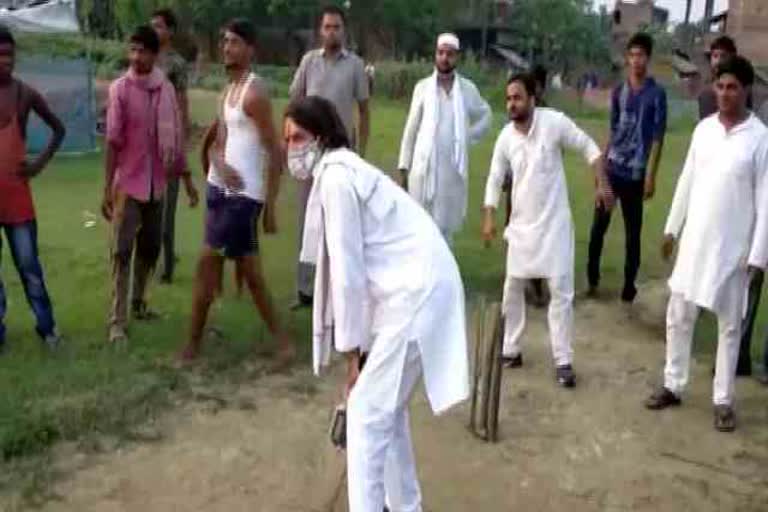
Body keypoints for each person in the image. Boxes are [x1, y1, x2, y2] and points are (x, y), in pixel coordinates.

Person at [284, 96, 468, 512]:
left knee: (366, 415)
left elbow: (348, 274)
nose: (291, 148)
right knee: (387, 409)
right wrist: (361, 353)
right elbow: (364, 271)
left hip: (417, 294)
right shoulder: (342, 170)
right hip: (416, 290)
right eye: (287, 140)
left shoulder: (334, 176)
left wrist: (352, 356)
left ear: (322, 136)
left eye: (298, 137)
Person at [645, 56, 768, 432]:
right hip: (695, 241)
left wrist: (758, 255)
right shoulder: (703, 131)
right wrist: (671, 229)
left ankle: (723, 400)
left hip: (733, 250)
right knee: (678, 315)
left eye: (733, 87)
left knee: (729, 327)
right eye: (720, 86)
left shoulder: (760, 138)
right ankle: (673, 383)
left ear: (746, 90)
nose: (726, 94)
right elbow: (686, 181)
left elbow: (766, 200)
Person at [482, 73, 610, 387]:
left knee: (560, 293)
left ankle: (563, 360)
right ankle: (511, 349)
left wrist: (602, 184)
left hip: (554, 227)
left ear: (532, 99)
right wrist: (489, 216)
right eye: (509, 98)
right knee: (512, 289)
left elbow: (589, 148)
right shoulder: (506, 137)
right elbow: (495, 177)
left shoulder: (553, 123)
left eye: (517, 97)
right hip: (522, 229)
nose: (512, 103)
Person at [177, 19, 293, 363]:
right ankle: (282, 340)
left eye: (235, 43)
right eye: (225, 42)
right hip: (218, 189)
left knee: (207, 264)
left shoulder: (255, 95)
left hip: (243, 197)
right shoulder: (227, 92)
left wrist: (269, 207)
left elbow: (276, 151)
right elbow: (218, 142)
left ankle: (192, 346)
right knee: (251, 273)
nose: (227, 48)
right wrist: (218, 161)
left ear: (250, 50)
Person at [102, 26, 186, 344]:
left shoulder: (164, 90)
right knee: (122, 252)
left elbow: (175, 136)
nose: (136, 57)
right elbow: (112, 141)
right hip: (128, 182)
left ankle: (138, 303)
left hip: (157, 183)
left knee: (150, 248)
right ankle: (117, 320)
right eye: (132, 50)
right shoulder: (120, 89)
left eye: (143, 51)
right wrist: (107, 187)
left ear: (154, 55)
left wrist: (186, 178)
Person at [289, 4, 370, 310]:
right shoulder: (309, 62)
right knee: (307, 220)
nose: (332, 31)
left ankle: (337, 289)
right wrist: (295, 141)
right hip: (311, 153)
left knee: (339, 221)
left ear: (343, 30)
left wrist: (361, 149)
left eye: (337, 27)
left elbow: (364, 110)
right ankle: (305, 290)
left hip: (342, 153)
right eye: (327, 27)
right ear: (319, 30)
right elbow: (295, 100)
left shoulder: (356, 66)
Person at [587, 32, 667, 304]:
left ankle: (628, 286)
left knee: (633, 234)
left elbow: (657, 137)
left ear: (648, 58)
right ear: (627, 59)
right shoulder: (619, 92)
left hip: (635, 174)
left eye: (641, 55)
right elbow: (612, 129)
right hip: (613, 169)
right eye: (632, 55)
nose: (636, 60)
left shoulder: (657, 94)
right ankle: (592, 280)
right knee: (599, 227)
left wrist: (651, 176)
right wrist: (600, 169)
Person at [0, 25, 65, 351]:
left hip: (18, 200)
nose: (5, 61)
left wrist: (38, 164)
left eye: (9, 55)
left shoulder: (24, 94)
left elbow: (58, 129)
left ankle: (47, 327)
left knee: (29, 267)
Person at [397, 33, 492, 243]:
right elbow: (410, 129)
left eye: (449, 54)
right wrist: (404, 166)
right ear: (435, 55)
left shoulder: (467, 89)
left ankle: (443, 273)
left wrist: (469, 137)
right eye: (440, 53)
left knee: (446, 229)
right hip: (423, 170)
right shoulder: (422, 88)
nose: (444, 58)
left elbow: (486, 115)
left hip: (452, 172)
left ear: (456, 57)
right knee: (420, 228)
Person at [150, 8, 199, 284]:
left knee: (166, 211)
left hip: (168, 144)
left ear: (169, 31)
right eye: (152, 26)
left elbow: (182, 104)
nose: (155, 30)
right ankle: (148, 260)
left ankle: (166, 267)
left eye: (159, 26)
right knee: (146, 209)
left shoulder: (175, 64)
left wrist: (181, 140)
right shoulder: (144, 59)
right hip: (145, 146)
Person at [698, 36, 738, 120]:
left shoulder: (740, 89)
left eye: (723, 56)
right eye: (715, 56)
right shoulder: (705, 90)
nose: (718, 61)